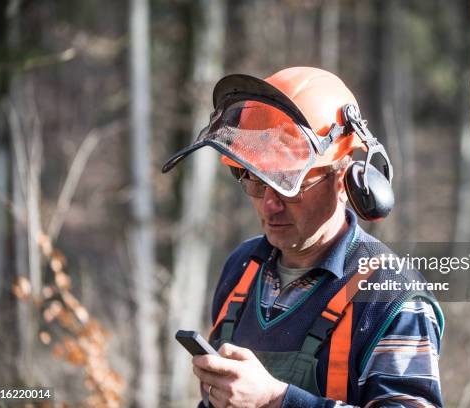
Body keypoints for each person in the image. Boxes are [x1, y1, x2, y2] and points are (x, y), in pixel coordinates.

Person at [162, 67, 444, 407]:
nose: (270, 203)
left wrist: (277, 399)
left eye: (289, 184)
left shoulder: (391, 295)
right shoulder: (241, 269)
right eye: (255, 179)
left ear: (342, 179)